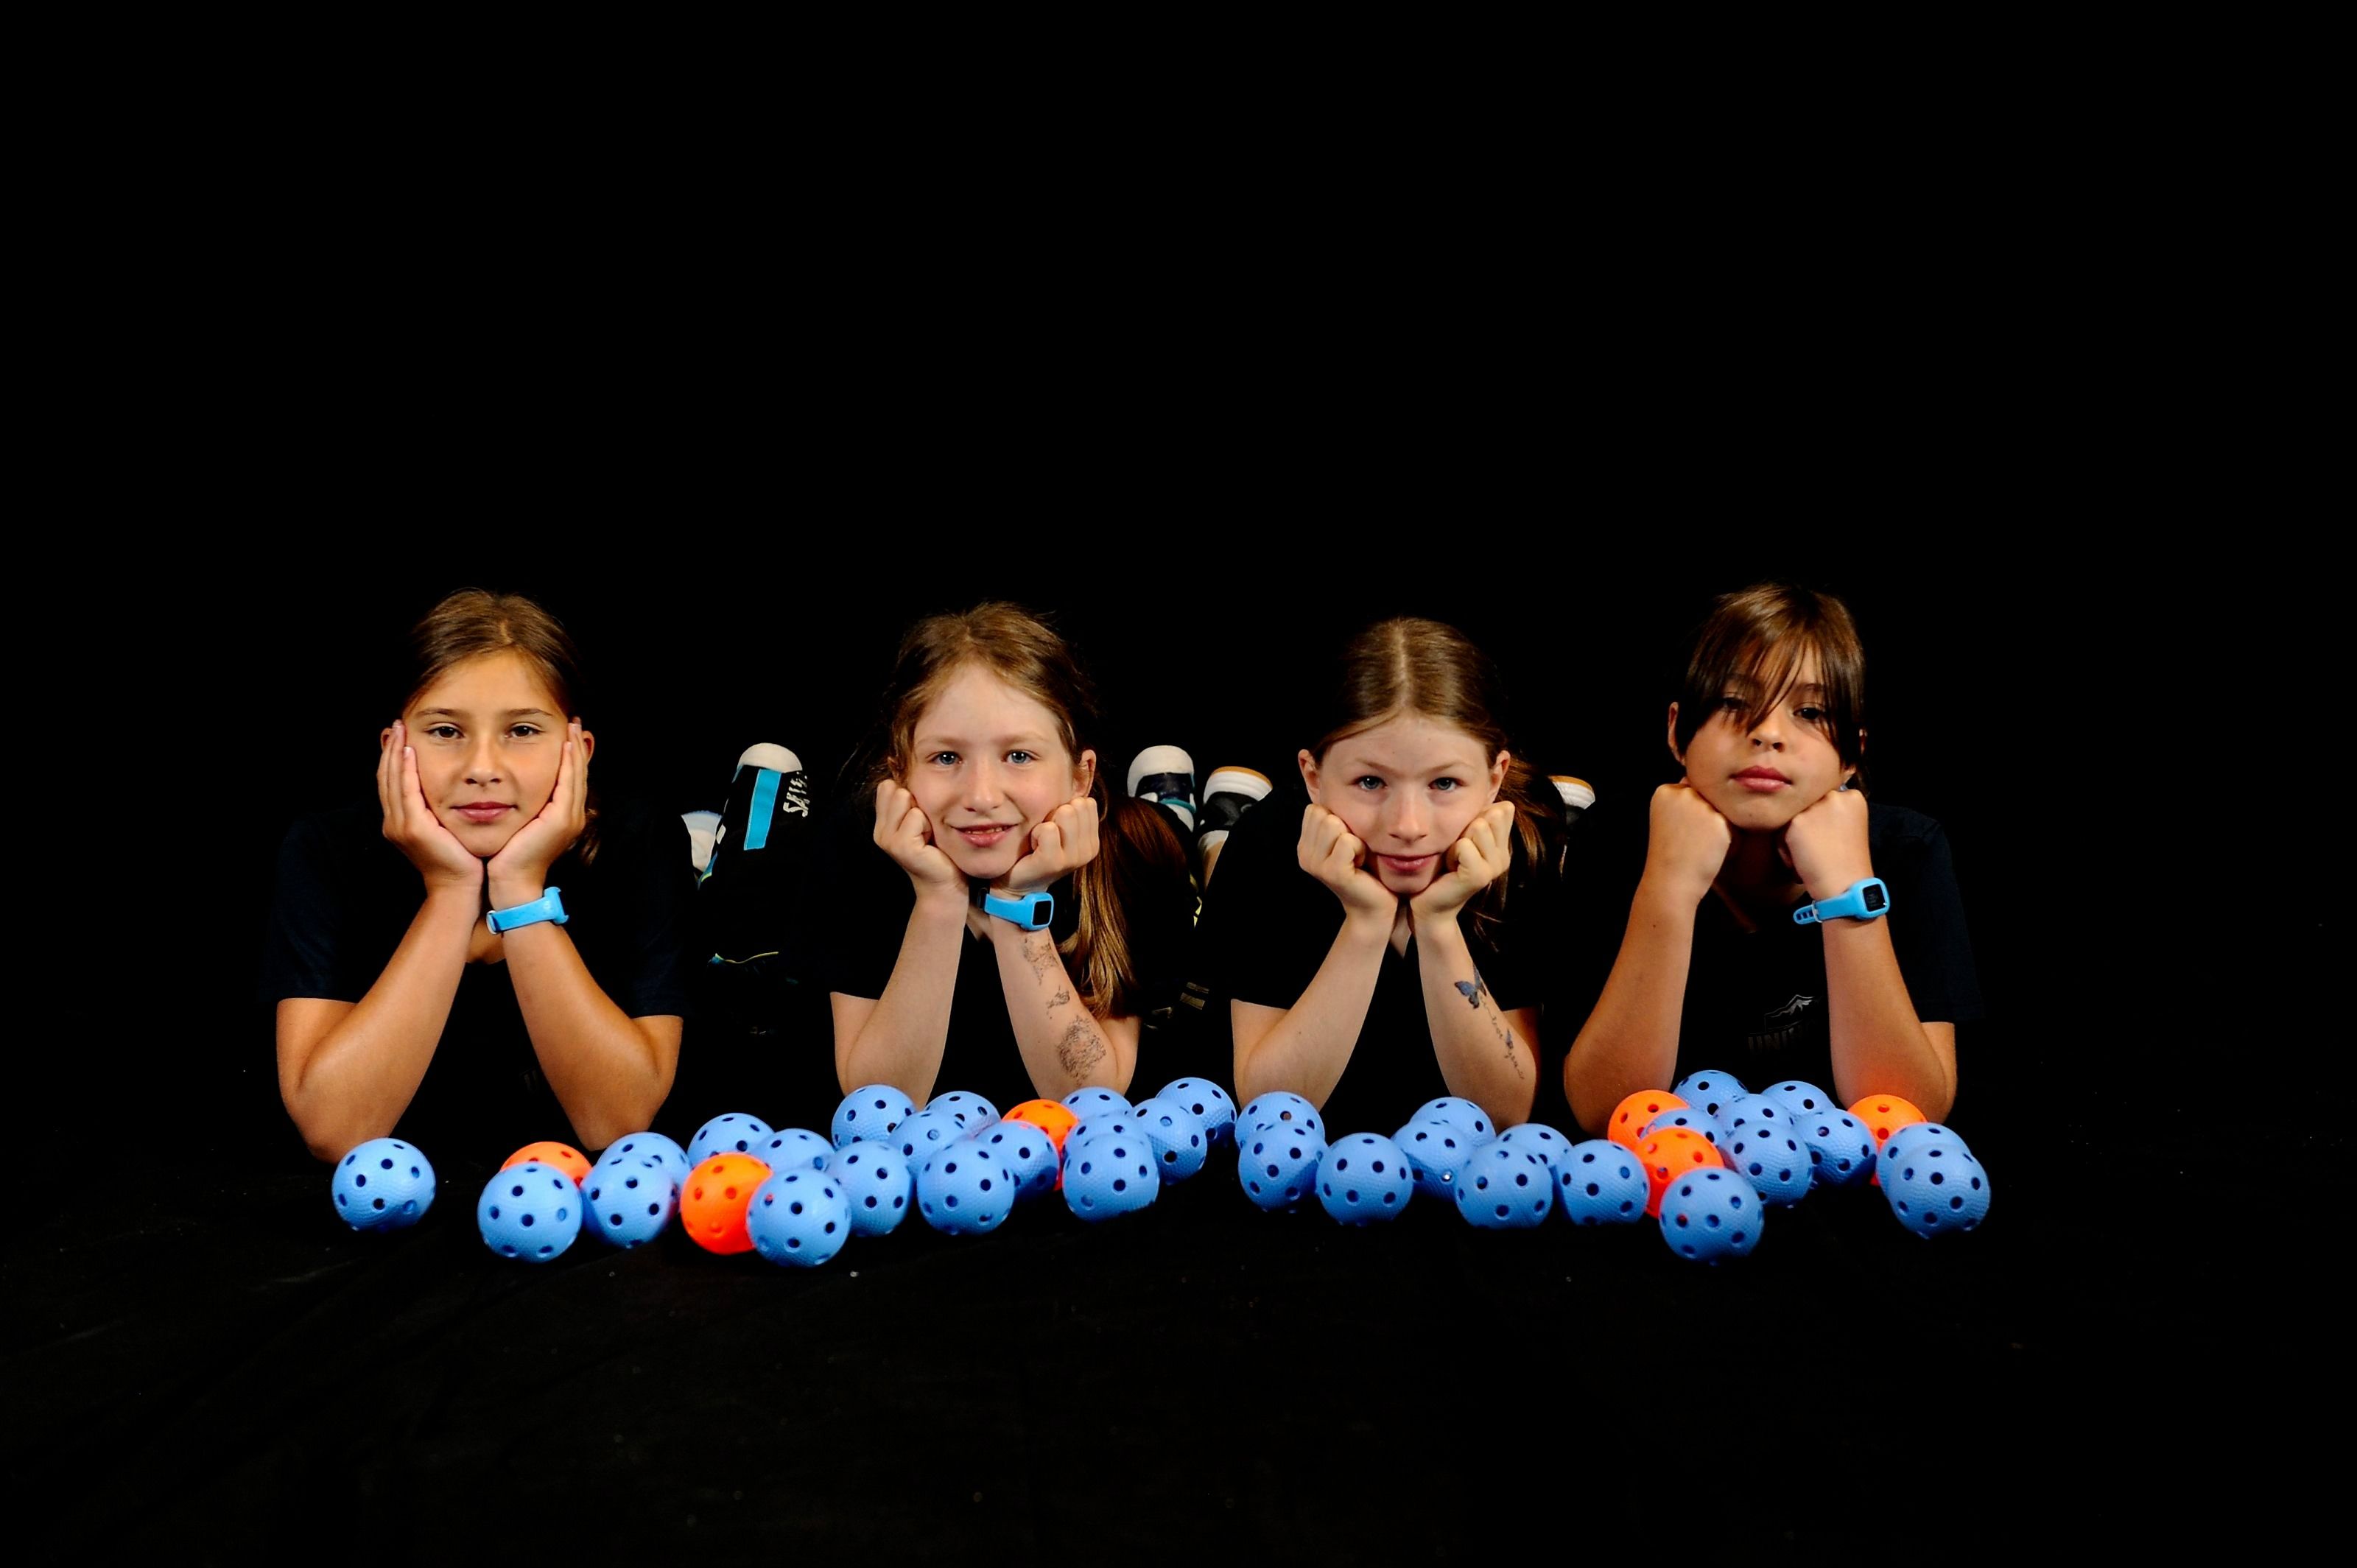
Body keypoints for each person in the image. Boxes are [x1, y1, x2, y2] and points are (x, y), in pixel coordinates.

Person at [263, 589, 693, 1161]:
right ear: (394, 746)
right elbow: (334, 1129)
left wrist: (519, 886)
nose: (483, 768)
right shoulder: (326, 848)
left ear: (578, 751)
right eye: (446, 731)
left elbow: (614, 1122)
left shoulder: (638, 839)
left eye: (522, 731)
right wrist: (451, 890)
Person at [1560, 583, 1980, 1132]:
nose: (1767, 733)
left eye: (1810, 711)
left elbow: (1909, 1116)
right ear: (1677, 733)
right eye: (1734, 702)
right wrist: (1670, 887)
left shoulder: (1908, 850)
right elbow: (1602, 1111)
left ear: (1852, 754)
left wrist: (1846, 892)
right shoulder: (1612, 840)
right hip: (1673, 1171)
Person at [801, 603, 1194, 1112]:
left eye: (1019, 756)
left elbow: (1091, 1096)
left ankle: (1195, 831)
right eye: (946, 757)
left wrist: (1018, 902)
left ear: (1080, 776)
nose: (981, 796)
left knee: (1175, 842)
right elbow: (879, 1102)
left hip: (1142, 841)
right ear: (900, 775)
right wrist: (938, 898)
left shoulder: (1135, 855)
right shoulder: (856, 844)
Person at [1198, 616, 1568, 1133]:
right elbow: (1272, 1107)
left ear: (1494, 780)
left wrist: (1438, 923)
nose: (1408, 826)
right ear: (1314, 777)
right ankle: (1212, 840)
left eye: (1444, 783)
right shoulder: (1268, 842)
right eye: (1371, 782)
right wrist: (1366, 921)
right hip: (1260, 858)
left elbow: (1506, 1112)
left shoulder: (1523, 843)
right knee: (1216, 880)